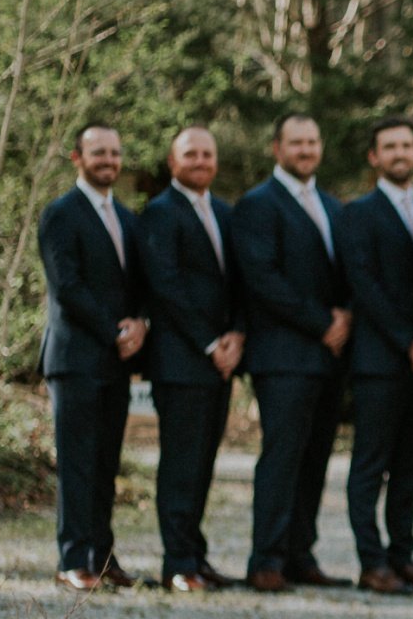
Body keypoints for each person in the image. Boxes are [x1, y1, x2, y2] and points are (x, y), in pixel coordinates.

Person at [235, 114, 353, 592]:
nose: (305, 150)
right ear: (276, 148)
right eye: (296, 142)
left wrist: (346, 314)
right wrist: (324, 322)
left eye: (312, 141)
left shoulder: (332, 206)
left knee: (316, 457)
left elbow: (347, 271)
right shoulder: (257, 205)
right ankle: (266, 560)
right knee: (282, 457)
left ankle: (301, 555)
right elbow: (263, 279)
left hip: (329, 357)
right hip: (283, 355)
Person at [38, 123, 148, 591]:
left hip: (116, 361)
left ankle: (104, 557)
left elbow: (139, 284)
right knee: (78, 462)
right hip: (75, 357)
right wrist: (113, 331)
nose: (108, 160)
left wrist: (140, 323)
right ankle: (72, 560)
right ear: (76, 158)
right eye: (98, 152)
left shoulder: (127, 217)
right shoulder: (60, 214)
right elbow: (68, 286)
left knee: (106, 465)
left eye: (115, 152)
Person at [135, 126, 241, 593]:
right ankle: (177, 563)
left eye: (207, 154)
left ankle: (196, 555)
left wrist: (237, 334)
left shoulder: (224, 211)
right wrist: (210, 343)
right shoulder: (159, 213)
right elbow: (167, 287)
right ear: (172, 161)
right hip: (180, 361)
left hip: (221, 361)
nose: (200, 161)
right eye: (190, 154)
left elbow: (239, 280)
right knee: (180, 464)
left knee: (203, 464)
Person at [340, 116, 413, 596]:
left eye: (406, 144)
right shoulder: (359, 212)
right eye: (389, 146)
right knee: (370, 465)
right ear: (374, 157)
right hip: (380, 359)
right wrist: (409, 340)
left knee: (409, 465)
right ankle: (371, 560)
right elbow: (366, 287)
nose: (400, 152)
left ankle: (402, 554)